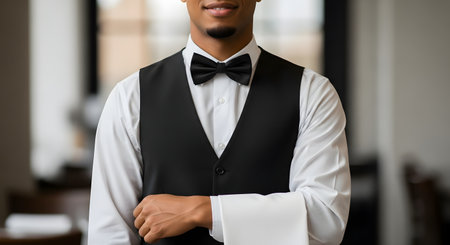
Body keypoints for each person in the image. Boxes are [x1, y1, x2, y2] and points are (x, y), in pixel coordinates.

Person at [88, 0, 350, 244]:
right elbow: (109, 234)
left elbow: (326, 218)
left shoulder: (313, 93)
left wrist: (204, 211)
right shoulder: (129, 98)